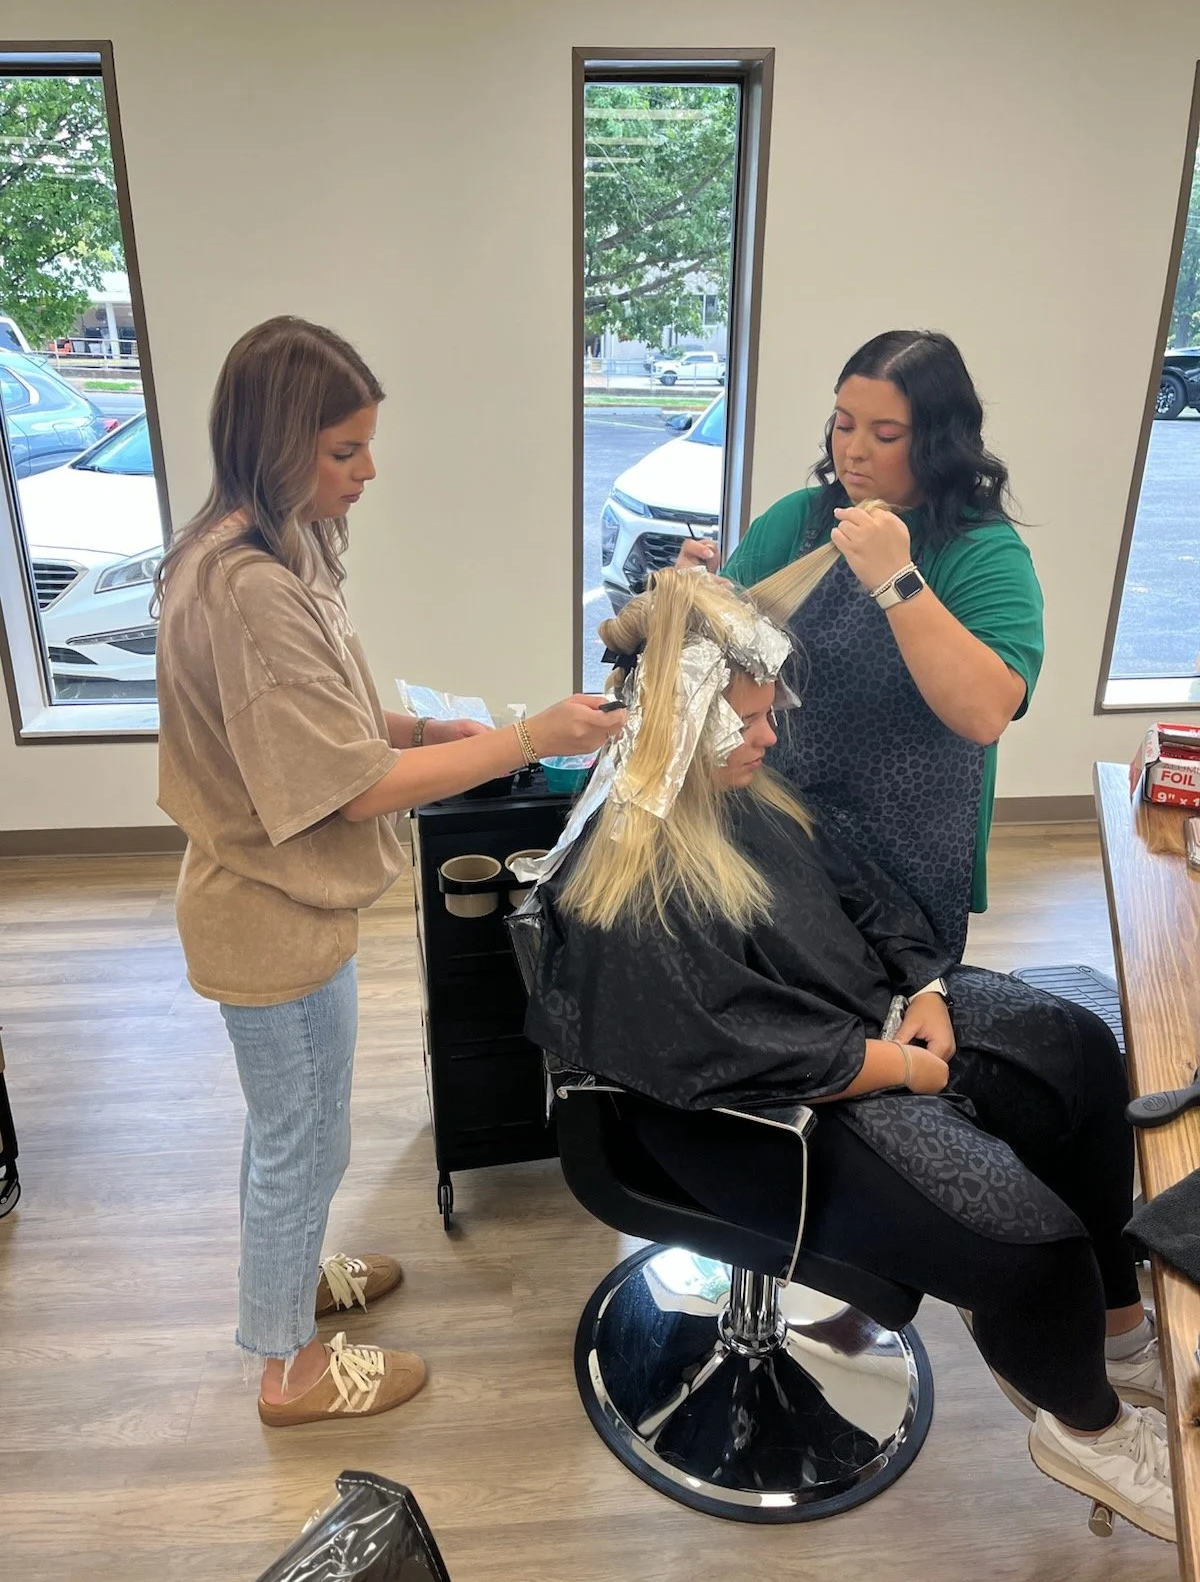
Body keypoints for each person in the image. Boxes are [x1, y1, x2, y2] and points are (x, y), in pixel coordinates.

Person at [526, 568, 1172, 1542]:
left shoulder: (736, 783)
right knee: (1027, 1246)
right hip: (761, 1115)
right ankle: (1088, 1426)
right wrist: (904, 1068)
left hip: (859, 1022)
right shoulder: (629, 876)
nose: (770, 736)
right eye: (745, 720)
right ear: (685, 716)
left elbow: (859, 887)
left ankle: (1113, 1332)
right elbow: (728, 1042)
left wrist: (924, 987)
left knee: (1079, 1055)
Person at [154, 316, 625, 1427]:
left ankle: (293, 1280)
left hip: (287, 908)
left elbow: (330, 718)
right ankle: (287, 1368)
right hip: (264, 916)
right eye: (343, 452)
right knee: (299, 1136)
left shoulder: (264, 544)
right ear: (276, 445)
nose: (368, 473)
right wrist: (525, 734)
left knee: (311, 1128)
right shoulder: (247, 587)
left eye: (366, 446)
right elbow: (346, 783)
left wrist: (419, 725)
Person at [677, 330, 1043, 958]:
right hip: (782, 823)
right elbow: (717, 657)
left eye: (886, 435)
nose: (854, 452)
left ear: (939, 440)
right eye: (844, 425)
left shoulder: (982, 554)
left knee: (894, 1004)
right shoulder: (798, 522)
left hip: (906, 844)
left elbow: (986, 714)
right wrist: (689, 601)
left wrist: (897, 583)